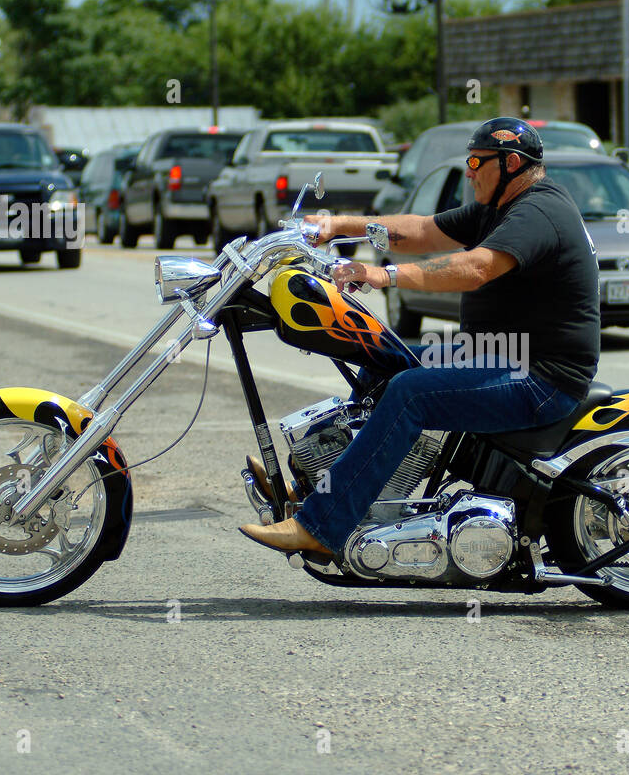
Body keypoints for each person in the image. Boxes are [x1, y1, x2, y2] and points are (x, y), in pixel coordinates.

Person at [239, 117, 600, 555]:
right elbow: (422, 231)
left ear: (510, 163)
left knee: (410, 393)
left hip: (540, 377)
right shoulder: (498, 208)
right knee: (381, 356)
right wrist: (338, 226)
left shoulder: (537, 212)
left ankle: (321, 527)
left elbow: (476, 268)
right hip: (494, 355)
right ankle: (311, 485)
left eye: (475, 161)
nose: (467, 172)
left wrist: (382, 275)